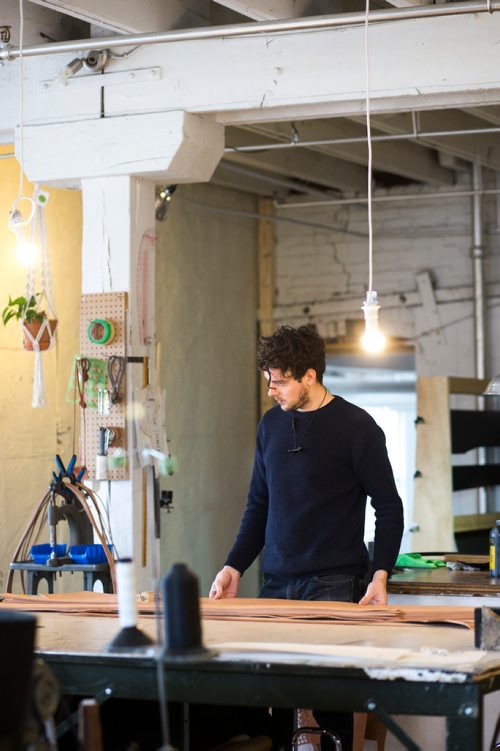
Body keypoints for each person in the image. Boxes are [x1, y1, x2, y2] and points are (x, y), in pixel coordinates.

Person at [209, 324, 404, 751]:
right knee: (271, 697)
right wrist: (232, 566)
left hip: (334, 583)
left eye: (279, 383)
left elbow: (388, 507)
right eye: (269, 382)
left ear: (309, 376)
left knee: (331, 700)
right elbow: (258, 506)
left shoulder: (358, 428)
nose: (272, 392)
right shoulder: (270, 427)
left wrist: (380, 574)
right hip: (277, 581)